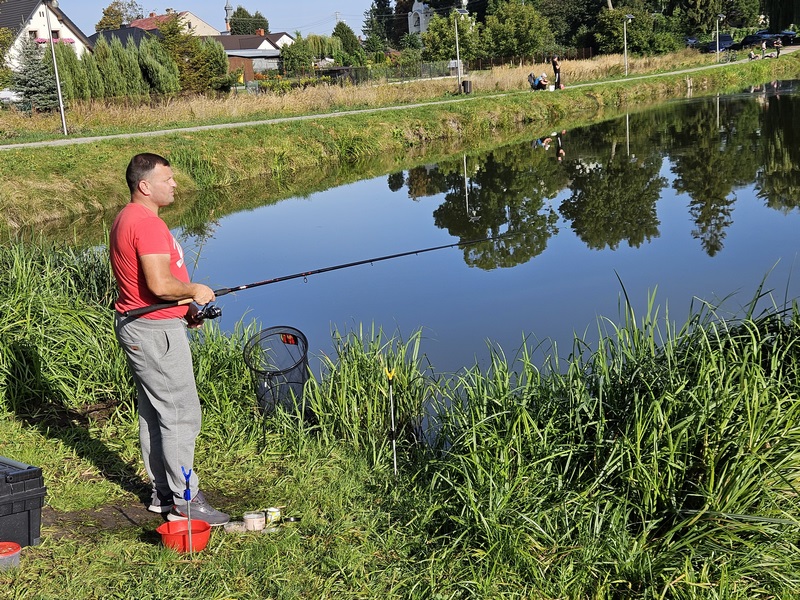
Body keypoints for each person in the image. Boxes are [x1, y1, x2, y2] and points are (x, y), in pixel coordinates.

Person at [109, 153, 230, 526]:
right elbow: (159, 285)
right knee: (180, 414)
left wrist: (185, 308)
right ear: (145, 186)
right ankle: (185, 501)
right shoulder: (147, 224)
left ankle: (163, 492)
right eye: (168, 179)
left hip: (142, 323)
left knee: (155, 412)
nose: (175, 184)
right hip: (154, 332)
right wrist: (194, 290)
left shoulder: (127, 217)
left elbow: (151, 286)